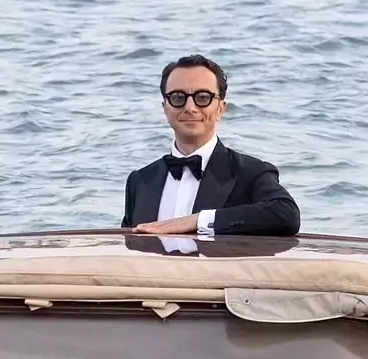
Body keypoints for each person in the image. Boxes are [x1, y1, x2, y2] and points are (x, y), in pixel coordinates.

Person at [121, 53, 300, 237]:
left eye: (202, 97)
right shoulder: (140, 181)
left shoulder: (251, 173)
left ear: (220, 108)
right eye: (177, 97)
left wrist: (198, 221)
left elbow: (286, 215)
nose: (190, 108)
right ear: (165, 108)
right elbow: (127, 247)